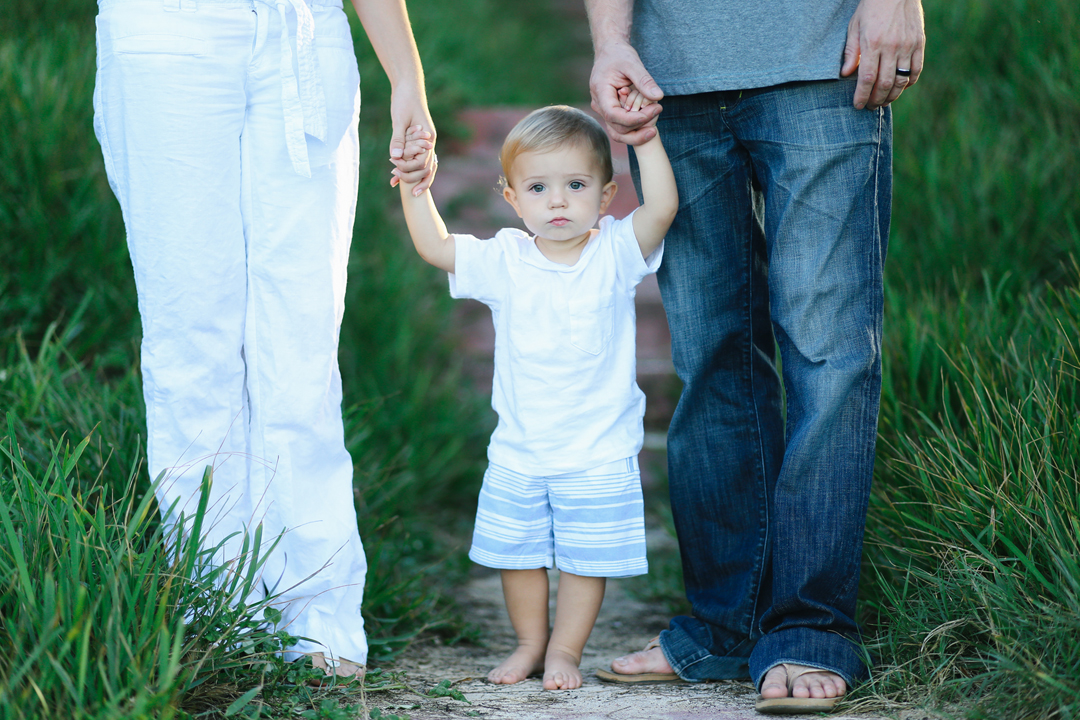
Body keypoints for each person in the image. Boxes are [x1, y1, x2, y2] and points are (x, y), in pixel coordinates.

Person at [584, 0, 925, 713]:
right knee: (711, 355)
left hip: (826, 65)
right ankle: (723, 626)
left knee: (830, 357)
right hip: (667, 78)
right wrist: (610, 38)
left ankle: (810, 631)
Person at [93, 0, 436, 680]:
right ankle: (216, 607)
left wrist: (407, 78)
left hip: (306, 37)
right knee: (192, 335)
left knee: (302, 342)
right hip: (168, 35)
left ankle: (320, 616)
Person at [395, 105, 677, 690]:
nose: (557, 202)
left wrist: (644, 138)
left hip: (598, 450)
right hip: (521, 449)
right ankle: (529, 643)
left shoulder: (615, 254)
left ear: (605, 196)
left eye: (576, 186)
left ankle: (565, 651)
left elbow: (663, 208)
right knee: (518, 556)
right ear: (511, 197)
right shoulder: (505, 259)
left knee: (583, 561)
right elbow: (436, 247)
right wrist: (416, 186)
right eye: (538, 188)